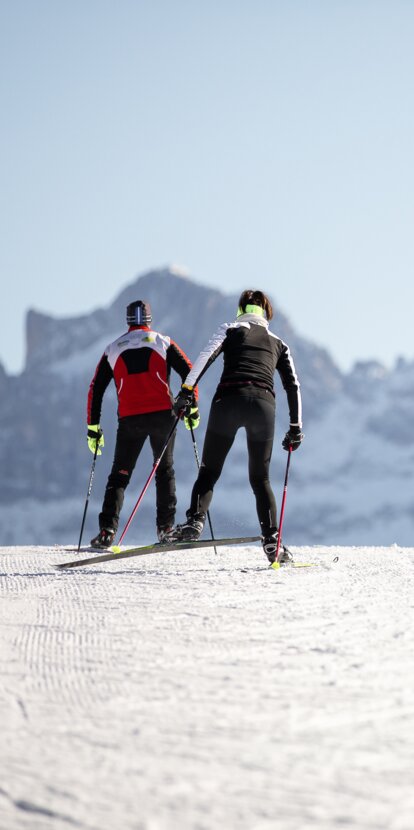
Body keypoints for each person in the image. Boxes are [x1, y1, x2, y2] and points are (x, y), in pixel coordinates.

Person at [172, 289, 303, 564]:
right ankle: (271, 542)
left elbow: (205, 357)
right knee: (261, 479)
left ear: (241, 309)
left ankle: (194, 523)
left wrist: (186, 391)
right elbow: (293, 385)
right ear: (266, 313)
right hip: (263, 407)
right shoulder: (279, 342)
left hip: (228, 402)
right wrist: (295, 427)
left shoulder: (230, 329)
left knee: (209, 472)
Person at [87, 300, 199, 549]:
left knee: (120, 476)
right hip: (163, 416)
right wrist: (192, 405)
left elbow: (96, 389)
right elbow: (190, 371)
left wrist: (93, 426)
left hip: (130, 419)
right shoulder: (163, 341)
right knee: (164, 471)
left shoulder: (112, 348)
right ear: (149, 319)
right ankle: (166, 529)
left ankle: (107, 531)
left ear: (128, 320)